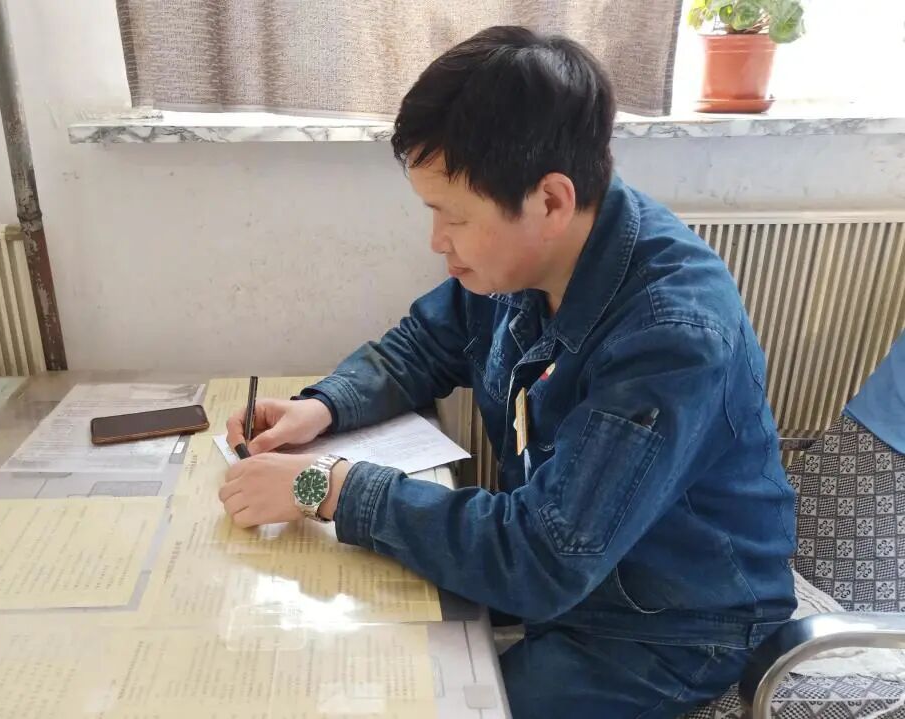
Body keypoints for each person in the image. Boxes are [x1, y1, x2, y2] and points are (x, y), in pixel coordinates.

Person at [218, 26, 797, 718]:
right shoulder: (532, 257)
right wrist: (323, 407)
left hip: (668, 627)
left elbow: (544, 556)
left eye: (453, 217)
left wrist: (323, 485)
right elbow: (426, 342)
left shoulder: (671, 336)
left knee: (425, 702)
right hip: (569, 578)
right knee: (347, 634)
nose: (437, 241)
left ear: (550, 201)